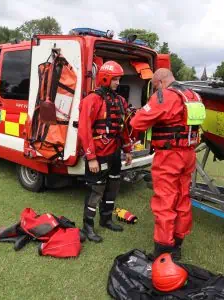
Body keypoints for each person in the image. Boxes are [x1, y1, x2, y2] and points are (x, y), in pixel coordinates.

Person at [130, 68, 204, 260]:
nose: (155, 90)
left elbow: (137, 123)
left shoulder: (164, 95)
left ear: (160, 82)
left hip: (169, 156)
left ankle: (163, 251)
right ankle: (177, 245)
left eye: (155, 86)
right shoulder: (193, 95)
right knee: (183, 198)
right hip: (188, 154)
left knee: (165, 201)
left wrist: (142, 110)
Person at [78, 60, 133, 243]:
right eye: (115, 79)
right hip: (99, 154)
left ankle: (106, 219)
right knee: (96, 189)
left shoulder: (120, 100)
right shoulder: (92, 100)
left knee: (113, 187)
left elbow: (123, 127)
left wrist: (128, 149)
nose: (118, 83)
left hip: (115, 153)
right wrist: (91, 158)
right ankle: (87, 226)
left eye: (119, 79)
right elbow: (84, 130)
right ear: (105, 78)